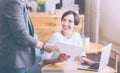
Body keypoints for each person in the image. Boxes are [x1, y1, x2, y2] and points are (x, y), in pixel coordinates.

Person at [0, 0, 58, 73]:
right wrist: (44, 46)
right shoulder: (13, 2)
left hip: (13, 60)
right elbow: (22, 36)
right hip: (14, 62)